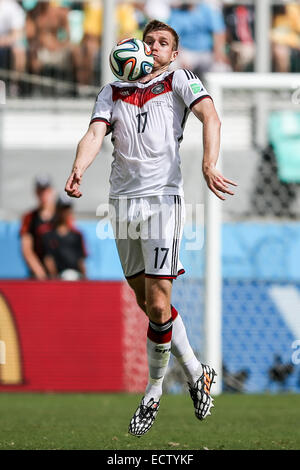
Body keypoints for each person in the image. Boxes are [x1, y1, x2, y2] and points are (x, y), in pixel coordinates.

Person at [65, 19, 237, 436]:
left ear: (173, 53)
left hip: (162, 200)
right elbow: (94, 133)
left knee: (160, 304)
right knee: (148, 304)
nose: (155, 47)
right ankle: (198, 371)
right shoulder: (112, 91)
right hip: (121, 204)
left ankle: (154, 390)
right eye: (149, 41)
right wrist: (78, 169)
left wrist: (209, 162)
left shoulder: (179, 79)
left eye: (163, 43)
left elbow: (210, 117)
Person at [42, 194, 87, 280]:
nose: (65, 212)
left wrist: (86, 281)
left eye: (67, 209)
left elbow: (81, 261)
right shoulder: (49, 235)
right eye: (62, 209)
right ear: (57, 210)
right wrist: (55, 281)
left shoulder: (77, 235)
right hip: (59, 278)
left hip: (76, 277)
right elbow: (49, 259)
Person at [20, 175, 56, 279]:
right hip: (40, 275)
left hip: (61, 273)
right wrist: (40, 273)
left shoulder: (60, 216)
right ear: (36, 192)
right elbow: (26, 249)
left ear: (51, 191)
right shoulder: (30, 218)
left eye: (45, 190)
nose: (43, 195)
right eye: (40, 191)